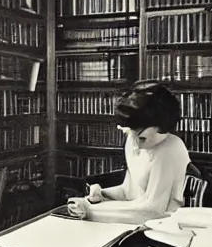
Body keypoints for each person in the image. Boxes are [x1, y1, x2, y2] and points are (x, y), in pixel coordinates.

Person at [67, 80, 191, 224]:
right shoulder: (133, 141)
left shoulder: (170, 149)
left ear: (161, 127)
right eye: (132, 134)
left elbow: (154, 211)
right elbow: (128, 192)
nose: (136, 144)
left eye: (142, 137)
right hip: (137, 219)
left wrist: (90, 211)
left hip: (164, 227)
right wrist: (101, 194)